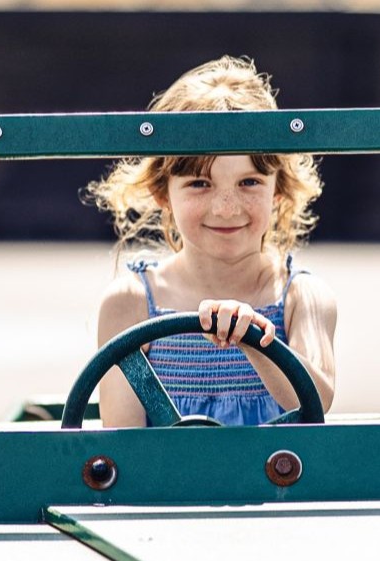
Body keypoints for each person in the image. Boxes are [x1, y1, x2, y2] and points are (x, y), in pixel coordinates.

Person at [86, 56, 337, 428]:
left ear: (278, 190)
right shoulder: (130, 303)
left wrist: (254, 339)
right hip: (169, 486)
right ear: (162, 193)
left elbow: (318, 400)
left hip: (274, 484)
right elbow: (125, 449)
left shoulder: (301, 296)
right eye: (199, 184)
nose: (225, 208)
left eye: (249, 182)